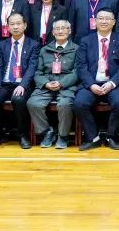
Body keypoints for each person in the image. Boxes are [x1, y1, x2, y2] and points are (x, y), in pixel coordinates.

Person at [74, 9, 119, 151]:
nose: (104, 21)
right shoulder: (86, 41)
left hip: (114, 83)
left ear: (114, 22)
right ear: (95, 21)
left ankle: (111, 136)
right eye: (101, 18)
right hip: (92, 83)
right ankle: (93, 138)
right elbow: (81, 67)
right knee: (79, 103)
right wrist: (91, 85)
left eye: (107, 18)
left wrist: (111, 83)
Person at [27, 20, 81, 150]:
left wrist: (61, 83)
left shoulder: (77, 49)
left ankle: (63, 136)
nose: (60, 31)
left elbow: (77, 72)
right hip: (47, 83)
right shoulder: (45, 50)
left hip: (67, 85)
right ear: (52, 32)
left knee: (65, 104)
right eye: (57, 29)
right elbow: (38, 72)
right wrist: (45, 83)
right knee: (33, 103)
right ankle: (47, 132)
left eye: (64, 28)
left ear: (69, 31)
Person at [0, 13, 39, 148]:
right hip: (5, 83)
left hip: (23, 84)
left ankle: (23, 136)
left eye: (18, 23)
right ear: (8, 27)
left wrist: (23, 85)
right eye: (12, 24)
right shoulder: (1, 45)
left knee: (18, 99)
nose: (15, 27)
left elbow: (32, 68)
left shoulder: (33, 45)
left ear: (25, 25)